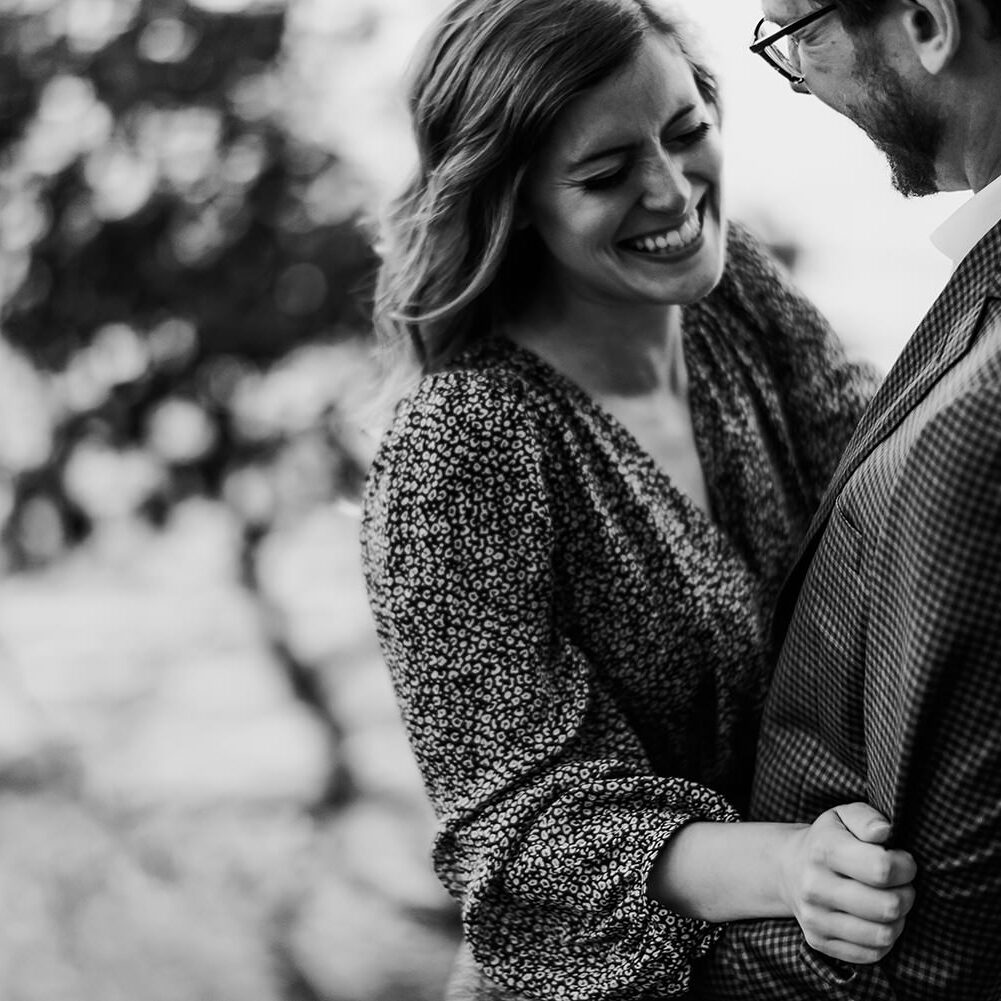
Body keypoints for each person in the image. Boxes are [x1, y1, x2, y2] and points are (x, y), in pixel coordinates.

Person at [360, 0, 917, 997]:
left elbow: (891, 488)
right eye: (605, 174)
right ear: (512, 198)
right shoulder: (459, 444)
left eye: (684, 133)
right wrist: (785, 863)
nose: (669, 191)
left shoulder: (734, 290)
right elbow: (516, 820)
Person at [696, 0, 1001, 997]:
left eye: (802, 30)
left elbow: (941, 939)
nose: (804, 76)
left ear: (925, 21)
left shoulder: (975, 419)